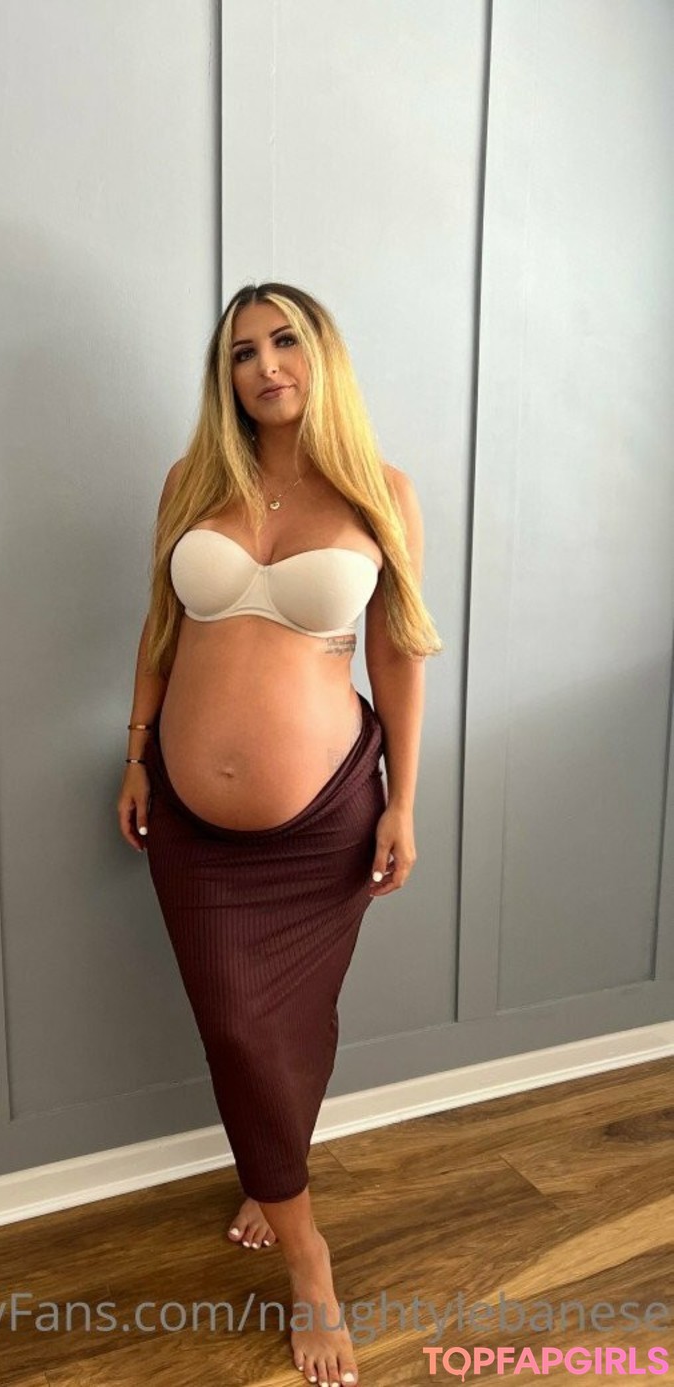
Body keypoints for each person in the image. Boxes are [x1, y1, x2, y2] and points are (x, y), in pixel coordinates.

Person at [117, 282, 441, 1387]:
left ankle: (274, 1174)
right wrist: (135, 750)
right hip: (189, 818)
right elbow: (161, 624)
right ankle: (311, 1260)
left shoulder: (381, 492)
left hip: (327, 817)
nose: (264, 365)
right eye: (242, 351)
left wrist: (403, 798)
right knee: (238, 1027)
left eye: (284, 340)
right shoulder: (192, 482)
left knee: (291, 1022)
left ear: (322, 354)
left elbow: (396, 652)